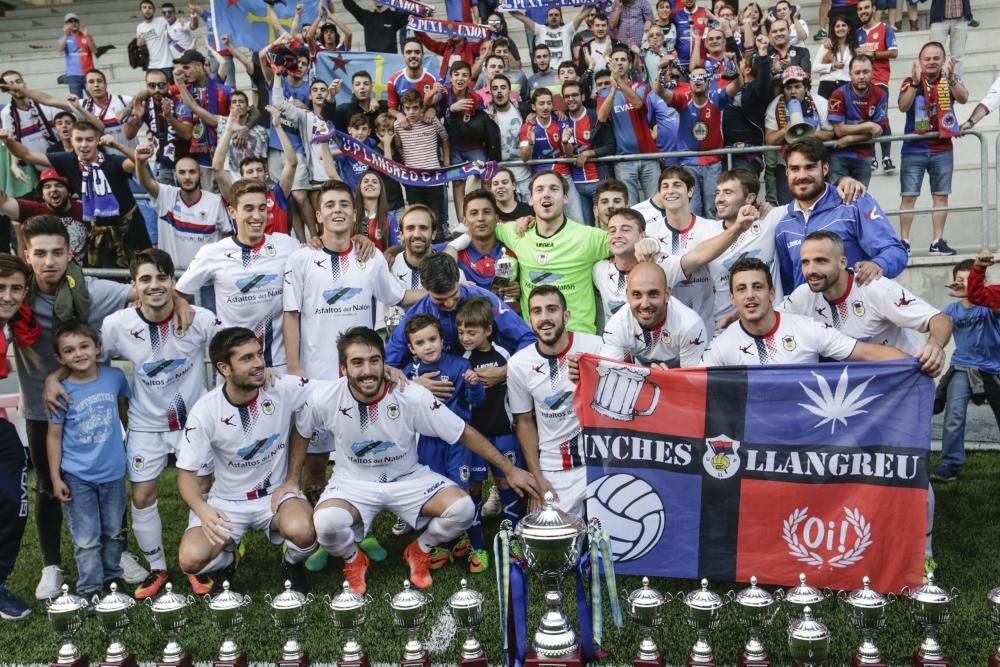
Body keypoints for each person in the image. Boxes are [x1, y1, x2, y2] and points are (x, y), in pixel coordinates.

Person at [301, 327, 538, 592]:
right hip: (353, 483)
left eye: (374, 360)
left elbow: (461, 431)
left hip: (407, 478)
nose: (367, 370)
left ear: (384, 362)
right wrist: (290, 481)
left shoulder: (409, 393)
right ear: (343, 368)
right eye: (357, 362)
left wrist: (508, 468)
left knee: (463, 510)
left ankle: (419, 549)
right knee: (326, 524)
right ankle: (354, 559)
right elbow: (301, 429)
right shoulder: (325, 398)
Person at [21, 216, 176, 599]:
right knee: (48, 486)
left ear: (70, 252)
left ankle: (118, 553)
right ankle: (52, 565)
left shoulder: (88, 289)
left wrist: (182, 301)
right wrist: (51, 381)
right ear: (26, 255)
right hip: (43, 410)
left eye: (57, 252)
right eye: (39, 253)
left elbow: (146, 292)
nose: (49, 261)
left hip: (94, 403)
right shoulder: (15, 294)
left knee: (109, 482)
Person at [283, 181, 420, 486]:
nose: (337, 210)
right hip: (316, 374)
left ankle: (360, 519)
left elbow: (397, 296)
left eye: (344, 204)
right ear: (318, 215)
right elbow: (290, 314)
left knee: (362, 452)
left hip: (360, 373)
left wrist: (439, 292)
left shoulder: (369, 256)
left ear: (354, 211)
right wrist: (295, 367)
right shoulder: (301, 259)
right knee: (316, 460)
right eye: (330, 205)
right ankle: (316, 518)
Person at [175, 328, 318, 592]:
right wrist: (203, 510)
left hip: (276, 496)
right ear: (224, 368)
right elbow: (185, 476)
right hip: (228, 502)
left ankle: (292, 561)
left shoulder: (280, 387)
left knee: (305, 532)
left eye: (258, 355)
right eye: (247, 359)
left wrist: (292, 480)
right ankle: (228, 558)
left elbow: (333, 389)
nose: (259, 364)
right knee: (190, 559)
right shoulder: (205, 410)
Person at [781, 231, 951, 377]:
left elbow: (939, 319)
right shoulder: (801, 296)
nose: (811, 270)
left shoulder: (873, 287)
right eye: (805, 262)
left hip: (902, 377)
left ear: (842, 263)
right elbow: (768, 322)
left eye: (821, 261)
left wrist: (935, 345)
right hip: (855, 386)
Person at [176, 180, 301, 369]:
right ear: (232, 212)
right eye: (249, 209)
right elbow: (178, 293)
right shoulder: (212, 253)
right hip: (235, 369)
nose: (257, 216)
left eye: (262, 208)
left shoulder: (287, 245)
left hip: (279, 365)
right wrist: (180, 302)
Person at [46, 321, 131, 602]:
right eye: (69, 350)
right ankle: (90, 588)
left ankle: (112, 580)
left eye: (84, 346)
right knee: (86, 537)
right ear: (60, 358)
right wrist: (57, 478)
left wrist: (129, 446)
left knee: (113, 530)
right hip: (77, 475)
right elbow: (54, 436)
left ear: (97, 347)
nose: (79, 354)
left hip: (113, 473)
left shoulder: (115, 377)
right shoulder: (60, 391)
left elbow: (123, 410)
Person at [700, 257, 911, 366]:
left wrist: (916, 365)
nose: (750, 295)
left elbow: (867, 352)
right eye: (741, 289)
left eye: (758, 287)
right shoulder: (722, 345)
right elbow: (691, 382)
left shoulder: (808, 329)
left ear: (772, 293)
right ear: (732, 298)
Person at [3, 120, 152, 269]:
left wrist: (117, 146)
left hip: (130, 228)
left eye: (89, 139)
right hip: (99, 233)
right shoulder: (68, 160)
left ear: (97, 141)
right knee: (108, 279)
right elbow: (26, 154)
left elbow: (136, 161)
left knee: (143, 269)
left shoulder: (112, 161)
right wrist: (8, 141)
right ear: (72, 142)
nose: (84, 145)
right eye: (79, 140)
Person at [508, 285, 602, 517]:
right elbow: (525, 421)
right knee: (555, 548)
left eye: (551, 309)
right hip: (555, 467)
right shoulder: (518, 364)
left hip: (601, 461)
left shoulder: (596, 347)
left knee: (615, 543)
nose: (545, 318)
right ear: (529, 320)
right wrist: (538, 477)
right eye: (537, 312)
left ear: (566, 315)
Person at [400, 315, 486, 566]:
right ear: (411, 348)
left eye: (433, 339)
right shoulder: (408, 373)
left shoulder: (459, 366)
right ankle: (441, 546)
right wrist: (413, 385)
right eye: (421, 342)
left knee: (462, 492)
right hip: (427, 443)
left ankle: (476, 546)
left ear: (442, 340)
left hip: (458, 443)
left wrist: (473, 386)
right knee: (433, 494)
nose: (428, 346)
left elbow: (477, 401)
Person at [774, 138, 907, 295]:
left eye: (810, 167)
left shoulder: (853, 202)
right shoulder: (783, 226)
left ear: (825, 169)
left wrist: (878, 264)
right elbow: (789, 283)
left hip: (857, 313)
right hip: (808, 317)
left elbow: (895, 251)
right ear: (787, 172)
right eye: (795, 169)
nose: (802, 175)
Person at [456, 297, 524, 567]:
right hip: (474, 436)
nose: (465, 337)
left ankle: (512, 538)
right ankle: (477, 546)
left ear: (488, 329)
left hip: (503, 430)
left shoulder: (505, 355)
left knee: (506, 483)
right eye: (461, 332)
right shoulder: (460, 360)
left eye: (471, 332)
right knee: (473, 489)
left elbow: (517, 387)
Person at [386, 252, 535, 368]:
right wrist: (415, 381)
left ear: (458, 280)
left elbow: (527, 338)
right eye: (440, 300)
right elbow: (389, 365)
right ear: (425, 289)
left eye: (454, 295)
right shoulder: (415, 315)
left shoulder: (484, 298)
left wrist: (507, 371)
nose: (450, 304)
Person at [897, 42, 968, 256]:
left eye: (936, 58)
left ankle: (937, 241)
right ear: (920, 61)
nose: (931, 62)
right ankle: (904, 243)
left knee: (941, 196)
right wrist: (915, 84)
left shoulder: (950, 79)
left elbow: (964, 98)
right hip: (913, 148)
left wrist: (952, 77)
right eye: (927, 58)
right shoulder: (910, 81)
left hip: (942, 147)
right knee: (908, 196)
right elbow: (902, 107)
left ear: (943, 60)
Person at [934, 258, 1000, 481]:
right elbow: (937, 331)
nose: (965, 283)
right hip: (962, 367)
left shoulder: (992, 306)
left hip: (993, 369)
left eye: (969, 279)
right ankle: (949, 464)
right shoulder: (952, 309)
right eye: (960, 280)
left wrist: (972, 291)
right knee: (954, 414)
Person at [634, 166, 723, 332]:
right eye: (665, 186)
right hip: (666, 330)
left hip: (707, 325)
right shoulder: (649, 231)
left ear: (690, 191)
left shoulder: (711, 228)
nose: (670, 191)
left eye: (677, 185)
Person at [658, 63, 741, 219]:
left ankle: (716, 243)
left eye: (702, 77)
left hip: (713, 162)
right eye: (693, 77)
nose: (697, 81)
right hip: (688, 163)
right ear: (689, 82)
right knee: (693, 210)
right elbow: (659, 91)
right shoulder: (683, 99)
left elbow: (738, 84)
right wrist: (661, 72)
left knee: (713, 209)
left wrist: (734, 64)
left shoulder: (717, 97)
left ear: (709, 81)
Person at [0, 255, 34, 619]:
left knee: (13, 498)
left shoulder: (18, 322)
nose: (8, 296)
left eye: (15, 289)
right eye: (0, 288)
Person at [134, 145, 232, 271]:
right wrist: (140, 162)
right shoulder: (166, 194)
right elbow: (145, 182)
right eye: (182, 172)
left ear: (200, 174)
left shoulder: (214, 202)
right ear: (175, 175)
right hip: (172, 277)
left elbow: (227, 235)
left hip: (206, 279)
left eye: (192, 172)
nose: (187, 177)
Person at [598, 259, 708, 367]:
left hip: (676, 378)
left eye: (653, 294)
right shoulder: (617, 325)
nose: (645, 304)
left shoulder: (690, 325)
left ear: (667, 294)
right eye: (637, 294)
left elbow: (693, 382)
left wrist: (666, 381)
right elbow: (606, 373)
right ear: (627, 295)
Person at [214, 107, 297, 236]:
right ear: (241, 178)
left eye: (259, 170)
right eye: (250, 171)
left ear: (266, 173)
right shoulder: (235, 197)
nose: (255, 174)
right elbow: (217, 168)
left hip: (279, 253)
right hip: (249, 253)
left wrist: (278, 127)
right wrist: (229, 131)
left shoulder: (278, 194)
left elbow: (292, 163)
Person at [597, 46, 660, 205]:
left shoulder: (641, 86)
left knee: (656, 206)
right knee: (630, 209)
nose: (619, 63)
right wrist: (612, 89)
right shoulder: (603, 93)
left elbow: (638, 103)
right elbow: (601, 117)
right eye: (615, 60)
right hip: (623, 159)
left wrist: (619, 82)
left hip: (649, 156)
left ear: (630, 65)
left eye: (623, 60)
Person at [764, 67, 835, 204]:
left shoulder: (819, 102)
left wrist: (810, 134)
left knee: (818, 204)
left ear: (806, 87)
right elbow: (769, 139)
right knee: (789, 206)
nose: (793, 92)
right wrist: (785, 130)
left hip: (814, 163)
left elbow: (831, 133)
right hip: (787, 165)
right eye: (788, 87)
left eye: (797, 86)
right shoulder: (775, 105)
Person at [393, 90, 449, 239]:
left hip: (434, 178)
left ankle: (438, 251)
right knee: (417, 216)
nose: (411, 112)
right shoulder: (398, 125)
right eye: (407, 108)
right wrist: (409, 164)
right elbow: (399, 147)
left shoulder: (431, 120)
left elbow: (444, 138)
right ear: (402, 108)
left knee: (435, 216)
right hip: (413, 180)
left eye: (415, 107)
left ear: (421, 107)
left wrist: (446, 162)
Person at [123, 69, 193, 187]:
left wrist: (170, 118)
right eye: (152, 85)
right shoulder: (144, 105)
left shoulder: (179, 102)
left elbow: (187, 134)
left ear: (168, 85)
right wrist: (136, 119)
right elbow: (128, 135)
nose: (157, 90)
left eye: (161, 85)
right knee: (166, 204)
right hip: (163, 163)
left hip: (185, 162)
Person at [1, 169, 87, 265]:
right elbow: (3, 202)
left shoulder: (85, 209)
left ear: (69, 191)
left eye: (59, 185)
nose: (53, 189)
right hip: (47, 271)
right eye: (47, 186)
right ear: (42, 194)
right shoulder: (34, 210)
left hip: (85, 273)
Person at [828, 54, 889, 186]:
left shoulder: (880, 94)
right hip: (839, 155)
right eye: (857, 72)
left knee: (860, 199)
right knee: (837, 198)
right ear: (850, 74)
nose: (861, 76)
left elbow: (878, 130)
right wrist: (868, 125)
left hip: (864, 154)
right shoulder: (838, 94)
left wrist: (850, 139)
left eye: (865, 72)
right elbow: (839, 130)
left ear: (872, 73)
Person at [454, 190, 521, 306]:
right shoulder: (455, 254)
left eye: (487, 212)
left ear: (496, 219)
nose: (481, 218)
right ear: (464, 221)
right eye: (474, 213)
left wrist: (520, 292)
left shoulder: (514, 252)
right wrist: (451, 247)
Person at [856, 0, 898, 173]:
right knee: (865, 119)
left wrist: (872, 54)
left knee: (881, 117)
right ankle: (871, 156)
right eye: (860, 9)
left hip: (879, 80)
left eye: (866, 7)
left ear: (873, 9)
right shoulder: (856, 33)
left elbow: (894, 52)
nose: (863, 11)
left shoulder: (885, 28)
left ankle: (886, 157)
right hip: (860, 81)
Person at [0, 71, 62, 182]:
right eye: (10, 84)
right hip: (39, 169)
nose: (15, 86)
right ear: (6, 89)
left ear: (24, 83)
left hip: (62, 161)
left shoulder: (44, 102)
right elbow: (12, 141)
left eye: (18, 82)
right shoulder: (6, 113)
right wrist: (14, 165)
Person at [80, 70, 135, 156]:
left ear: (106, 85)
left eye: (99, 81)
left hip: (132, 159)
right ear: (86, 86)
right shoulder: (82, 105)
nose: (96, 85)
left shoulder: (122, 100)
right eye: (91, 82)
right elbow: (54, 101)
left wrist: (127, 109)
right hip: (108, 163)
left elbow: (145, 94)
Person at [509, 6, 588, 66]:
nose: (554, 16)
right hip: (546, 69)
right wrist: (505, 7)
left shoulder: (567, 29)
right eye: (551, 15)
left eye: (556, 15)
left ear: (561, 18)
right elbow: (522, 18)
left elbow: (583, 14)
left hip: (565, 69)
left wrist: (594, 2)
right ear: (546, 19)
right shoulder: (540, 29)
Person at [342, 0, 410, 54]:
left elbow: (413, 13)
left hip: (390, 61)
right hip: (372, 61)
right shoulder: (366, 17)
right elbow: (348, 4)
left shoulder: (394, 17)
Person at [813, 16, 855, 100]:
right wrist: (832, 66)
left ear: (849, 28)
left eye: (843, 25)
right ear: (833, 29)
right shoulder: (826, 46)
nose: (840, 28)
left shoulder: (854, 47)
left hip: (846, 86)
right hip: (827, 85)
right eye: (837, 26)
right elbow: (814, 68)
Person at [59, 13, 97, 98]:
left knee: (94, 99)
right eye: (70, 21)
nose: (73, 23)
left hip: (89, 73)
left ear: (79, 23)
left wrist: (86, 35)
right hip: (73, 75)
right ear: (66, 24)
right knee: (77, 102)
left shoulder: (87, 36)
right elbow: (60, 49)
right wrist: (65, 34)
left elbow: (94, 50)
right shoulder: (63, 37)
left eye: (75, 21)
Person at [929, 0, 970, 74]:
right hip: (939, 16)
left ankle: (955, 82)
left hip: (961, 17)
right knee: (934, 54)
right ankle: (934, 83)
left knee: (957, 57)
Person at [136, 0, 174, 77]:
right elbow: (140, 44)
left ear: (154, 11)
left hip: (166, 64)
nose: (147, 10)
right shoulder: (140, 27)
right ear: (141, 10)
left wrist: (181, 20)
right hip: (150, 66)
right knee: (153, 89)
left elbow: (174, 21)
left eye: (150, 8)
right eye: (144, 7)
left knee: (169, 89)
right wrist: (138, 44)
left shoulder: (162, 20)